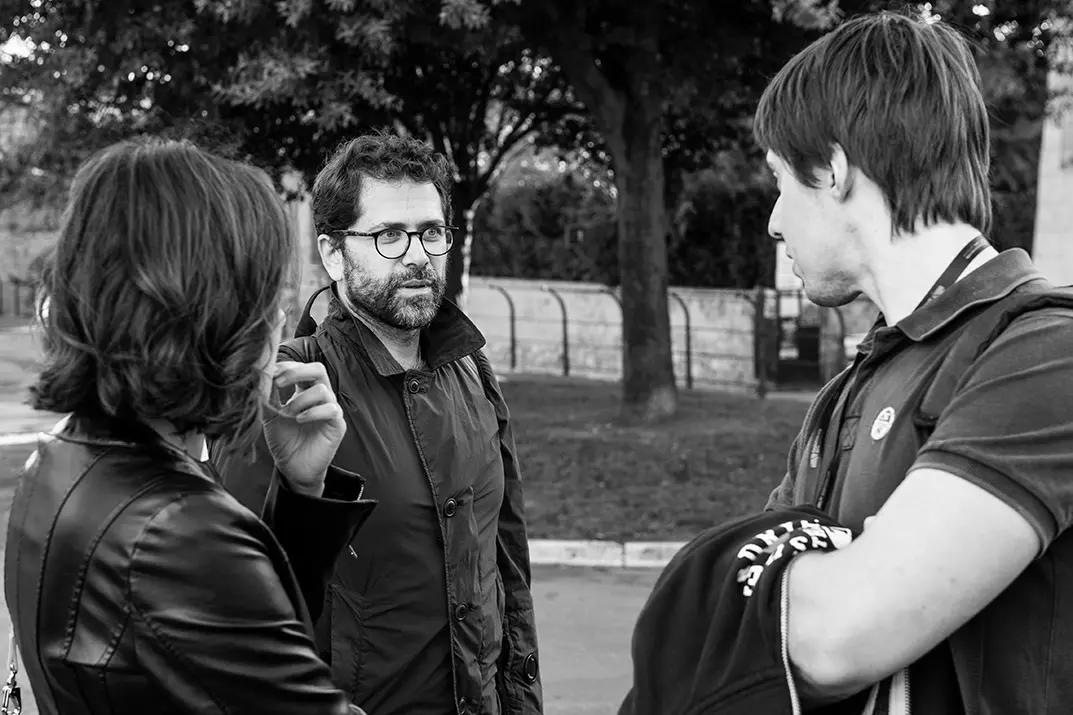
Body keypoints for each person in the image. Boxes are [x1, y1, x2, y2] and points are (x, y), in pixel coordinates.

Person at [755, 10, 1073, 714]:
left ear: (832, 169)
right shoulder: (850, 386)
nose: (774, 220)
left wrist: (777, 588)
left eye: (779, 179)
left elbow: (832, 641)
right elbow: (743, 597)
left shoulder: (1047, 352)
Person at [4, 138, 377, 715]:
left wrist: (301, 491)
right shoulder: (176, 534)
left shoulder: (65, 456)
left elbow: (243, 661)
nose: (280, 318)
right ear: (214, 313)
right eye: (265, 295)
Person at [213, 132, 542, 715]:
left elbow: (508, 575)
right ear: (333, 253)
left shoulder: (473, 370)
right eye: (388, 235)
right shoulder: (291, 392)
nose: (417, 255)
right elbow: (238, 610)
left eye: (431, 232)